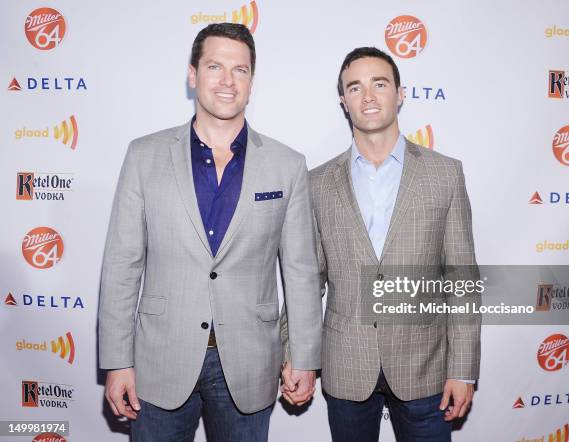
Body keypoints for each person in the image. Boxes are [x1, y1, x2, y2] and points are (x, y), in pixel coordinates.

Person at [98, 23, 322, 442]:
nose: (227, 81)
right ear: (192, 74)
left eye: (240, 70)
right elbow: (121, 265)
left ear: (252, 81)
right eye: (215, 66)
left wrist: (305, 357)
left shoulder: (286, 164)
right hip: (159, 358)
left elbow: (301, 271)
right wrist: (116, 361)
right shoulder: (144, 156)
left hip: (250, 360)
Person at [283, 47, 481, 441]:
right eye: (355, 87)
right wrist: (296, 355)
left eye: (379, 84)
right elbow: (306, 281)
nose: (368, 96)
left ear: (400, 93)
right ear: (344, 101)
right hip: (346, 365)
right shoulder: (317, 183)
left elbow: (461, 279)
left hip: (425, 368)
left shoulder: (445, 174)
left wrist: (463, 368)